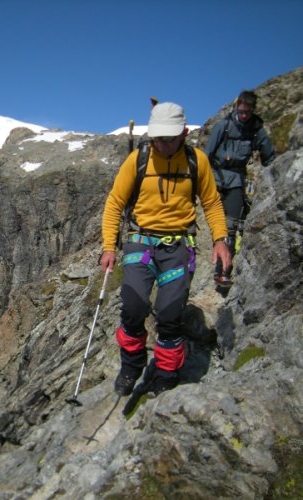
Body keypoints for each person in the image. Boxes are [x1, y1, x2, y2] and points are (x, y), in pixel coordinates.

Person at [100, 102, 232, 397]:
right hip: (140, 241)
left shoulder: (196, 161)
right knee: (133, 307)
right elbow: (114, 203)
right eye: (158, 138)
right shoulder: (138, 160)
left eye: (169, 138)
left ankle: (167, 371)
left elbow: (211, 202)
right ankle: (132, 364)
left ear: (184, 133)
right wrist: (109, 247)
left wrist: (221, 239)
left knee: (170, 315)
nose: (162, 144)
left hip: (178, 245)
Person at [204, 90, 275, 286]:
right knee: (216, 223)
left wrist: (274, 175)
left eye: (247, 112)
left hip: (236, 180)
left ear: (252, 110)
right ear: (237, 107)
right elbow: (206, 154)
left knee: (232, 225)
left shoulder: (256, 130)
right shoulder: (223, 126)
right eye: (241, 111)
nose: (244, 115)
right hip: (215, 178)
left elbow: (268, 154)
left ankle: (223, 271)